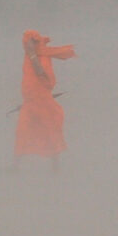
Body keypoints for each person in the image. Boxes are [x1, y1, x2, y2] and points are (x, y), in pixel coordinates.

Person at [13, 30, 76, 172]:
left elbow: (43, 76)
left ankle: (55, 167)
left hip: (42, 103)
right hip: (30, 103)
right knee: (22, 133)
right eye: (25, 43)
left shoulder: (39, 57)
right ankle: (15, 167)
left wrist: (33, 56)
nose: (26, 46)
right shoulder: (31, 56)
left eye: (28, 43)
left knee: (49, 132)